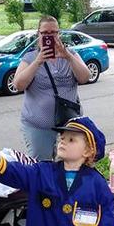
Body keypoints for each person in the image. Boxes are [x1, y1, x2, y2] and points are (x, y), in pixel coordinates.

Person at [13, 16, 90, 160]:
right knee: (43, 168)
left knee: (69, 164)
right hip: (38, 127)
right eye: (45, 33)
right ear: (38, 34)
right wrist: (38, 61)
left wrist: (67, 56)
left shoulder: (71, 54)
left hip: (69, 124)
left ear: (59, 34)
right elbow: (18, 85)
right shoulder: (30, 58)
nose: (50, 36)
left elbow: (85, 77)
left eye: (54, 32)